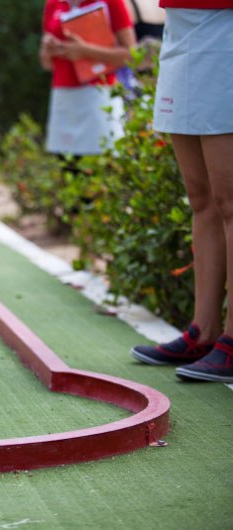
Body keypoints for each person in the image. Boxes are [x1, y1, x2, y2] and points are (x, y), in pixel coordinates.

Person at [130, 4, 233, 383]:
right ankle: (203, 333)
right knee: (201, 200)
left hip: (225, 31)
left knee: (230, 202)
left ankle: (232, 342)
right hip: (180, 29)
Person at [39, 0, 135, 158]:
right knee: (68, 167)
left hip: (99, 96)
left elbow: (131, 55)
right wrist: (47, 49)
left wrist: (84, 50)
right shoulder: (53, 3)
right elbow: (47, 64)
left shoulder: (112, 2)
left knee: (103, 167)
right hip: (63, 97)